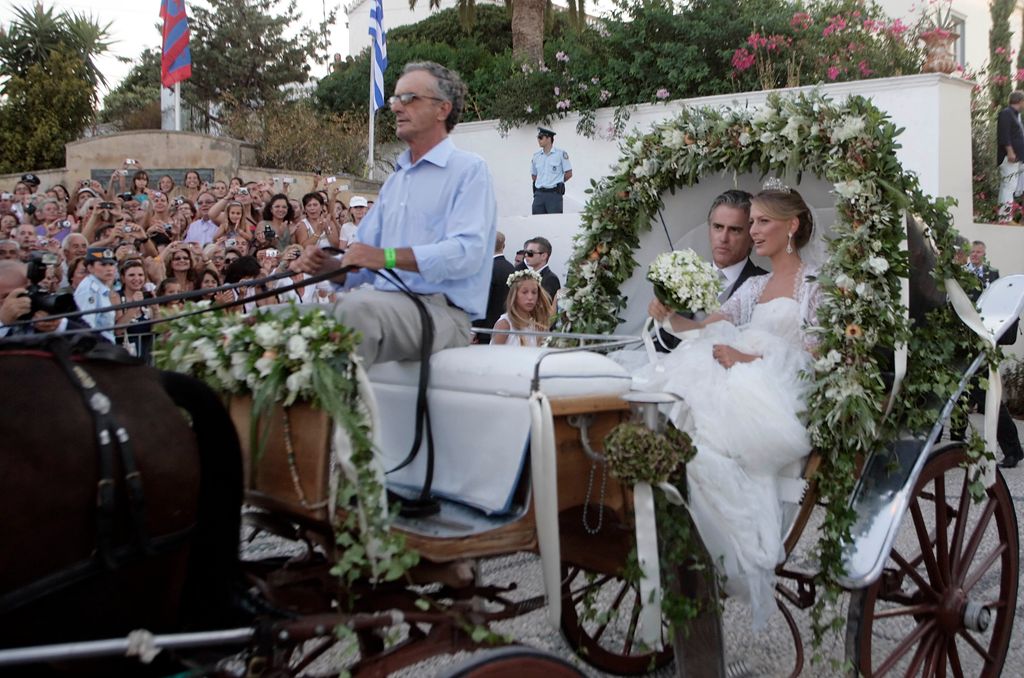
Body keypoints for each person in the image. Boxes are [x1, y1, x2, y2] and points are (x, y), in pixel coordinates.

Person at [636, 187, 822, 629]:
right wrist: (666, 314)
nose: (752, 231)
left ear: (791, 226)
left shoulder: (815, 286)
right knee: (680, 400)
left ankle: (717, 543)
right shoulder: (754, 286)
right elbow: (706, 326)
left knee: (711, 445)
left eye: (761, 222)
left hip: (779, 389)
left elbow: (818, 359)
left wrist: (752, 360)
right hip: (737, 375)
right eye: (751, 222)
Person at [295, 61, 497, 366]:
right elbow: (362, 263)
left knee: (355, 312)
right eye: (395, 99)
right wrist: (329, 266)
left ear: (443, 109)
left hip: (442, 314)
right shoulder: (395, 182)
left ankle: (339, 414)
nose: (397, 108)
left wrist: (386, 257)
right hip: (382, 305)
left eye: (409, 99)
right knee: (274, 319)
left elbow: (466, 254)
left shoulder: (469, 170)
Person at [653, 189, 768, 352]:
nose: (723, 238)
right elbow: (662, 344)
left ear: (752, 238)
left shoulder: (766, 284)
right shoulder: (685, 278)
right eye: (718, 227)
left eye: (735, 230)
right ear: (709, 229)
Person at [472, 230, 516, 344]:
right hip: (508, 327)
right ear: (504, 246)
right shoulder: (511, 268)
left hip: (485, 331)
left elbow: (483, 301)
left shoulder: (487, 269)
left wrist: (473, 330)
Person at [492, 269, 552, 346]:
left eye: (534, 292)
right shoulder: (505, 324)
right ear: (514, 295)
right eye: (524, 292)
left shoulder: (538, 325)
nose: (530, 297)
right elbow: (494, 354)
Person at [73, 247, 119, 342]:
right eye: (103, 264)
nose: (109, 269)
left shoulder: (100, 288)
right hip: (96, 348)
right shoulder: (89, 289)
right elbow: (87, 325)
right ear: (90, 268)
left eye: (111, 264)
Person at [531, 127, 572, 214]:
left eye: (541, 137)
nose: (538, 140)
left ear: (549, 138)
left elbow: (569, 173)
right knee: (536, 223)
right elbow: (534, 176)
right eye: (538, 137)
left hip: (554, 195)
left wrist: (557, 181)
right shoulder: (536, 156)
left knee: (555, 223)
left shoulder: (560, 154)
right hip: (539, 195)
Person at [997, 90, 1024, 221]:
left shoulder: (1014, 115)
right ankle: (1005, 217)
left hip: (1014, 158)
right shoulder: (1006, 113)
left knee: (1008, 186)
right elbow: (1004, 134)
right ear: (1020, 101)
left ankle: (1004, 216)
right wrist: (1010, 151)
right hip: (1009, 158)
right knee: (1009, 186)